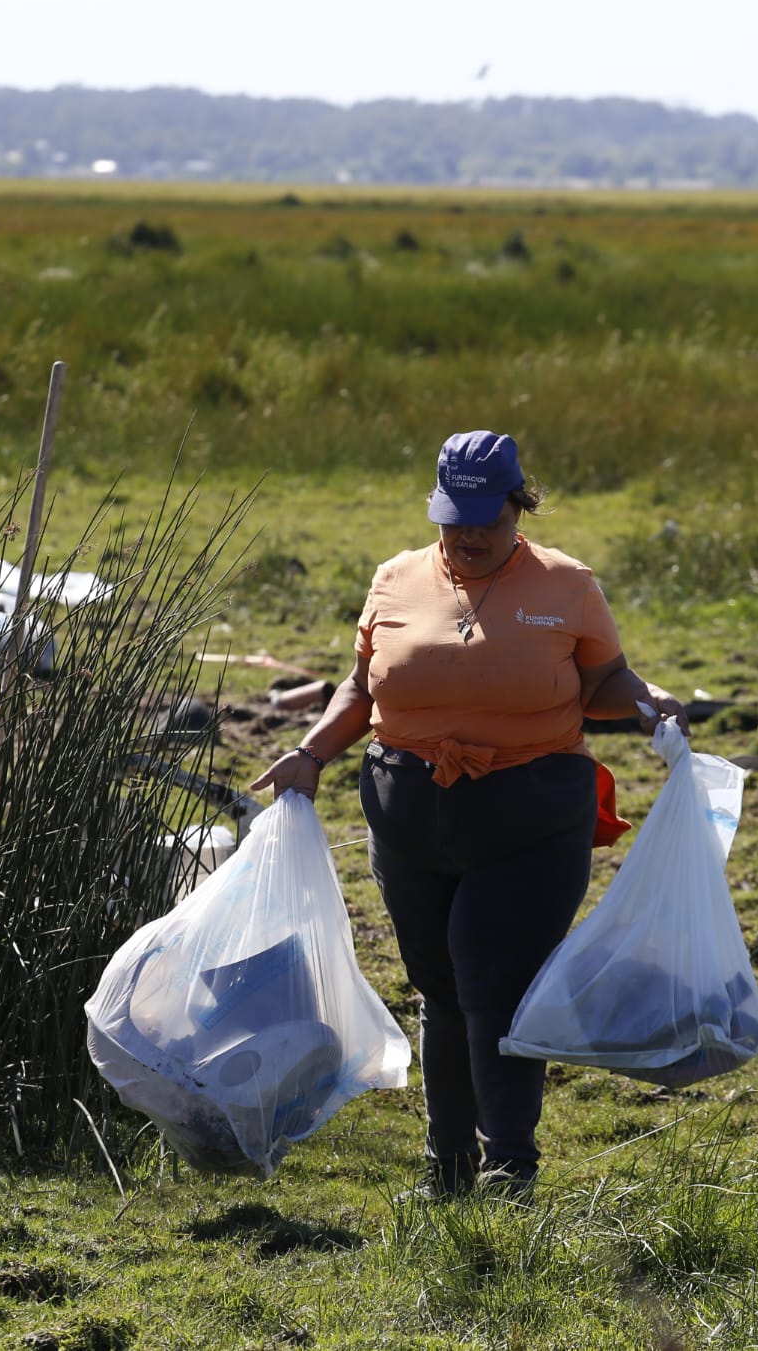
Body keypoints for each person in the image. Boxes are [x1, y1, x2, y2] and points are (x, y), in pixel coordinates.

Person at [251, 429, 684, 1199]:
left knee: (494, 976)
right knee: (440, 985)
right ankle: (446, 1166)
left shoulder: (567, 585)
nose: (470, 535)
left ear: (521, 506)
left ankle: (509, 1164)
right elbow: (361, 689)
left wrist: (647, 704)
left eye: (488, 517)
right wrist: (310, 756)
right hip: (409, 811)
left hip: (528, 811)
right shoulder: (394, 579)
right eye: (455, 518)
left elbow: (606, 680)